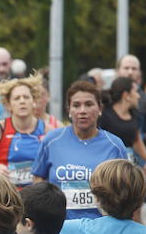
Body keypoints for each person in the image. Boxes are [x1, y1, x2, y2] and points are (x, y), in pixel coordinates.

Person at [31, 81, 126, 219]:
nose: (82, 111)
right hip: (59, 228)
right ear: (68, 110)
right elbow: (38, 177)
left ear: (99, 108)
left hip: (101, 228)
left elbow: (125, 189)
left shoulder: (114, 145)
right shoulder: (51, 140)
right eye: (76, 105)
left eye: (89, 104)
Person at [0, 74, 53, 188]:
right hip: (8, 195)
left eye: (26, 97)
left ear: (34, 102)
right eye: (17, 98)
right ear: (8, 105)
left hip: (37, 196)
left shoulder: (47, 129)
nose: (22, 101)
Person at [99, 76, 146, 175]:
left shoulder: (135, 115)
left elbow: (136, 140)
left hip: (128, 166)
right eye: (136, 92)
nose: (138, 96)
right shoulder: (105, 115)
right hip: (109, 168)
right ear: (126, 95)